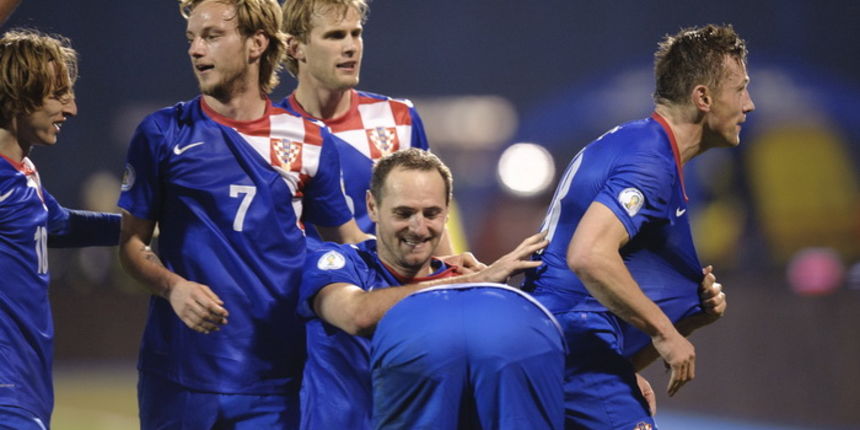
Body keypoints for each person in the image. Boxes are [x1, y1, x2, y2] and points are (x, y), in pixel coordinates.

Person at [117, 1, 366, 428]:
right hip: (177, 376)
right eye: (192, 39)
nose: (196, 50)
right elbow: (131, 245)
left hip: (276, 378)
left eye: (212, 36)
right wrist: (173, 287)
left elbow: (351, 245)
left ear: (257, 44)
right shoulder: (162, 133)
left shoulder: (309, 140)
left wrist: (444, 275)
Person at [523, 24, 747, 429]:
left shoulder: (636, 144)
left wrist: (689, 320)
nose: (749, 104)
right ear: (703, 97)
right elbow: (588, 256)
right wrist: (666, 334)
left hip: (557, 340)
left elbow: (598, 290)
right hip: (572, 343)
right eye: (741, 89)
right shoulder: (650, 161)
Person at [299, 148, 564, 429]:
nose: (418, 227)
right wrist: (472, 285)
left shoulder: (466, 283)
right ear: (372, 206)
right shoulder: (338, 265)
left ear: (447, 212)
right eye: (404, 213)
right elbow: (356, 314)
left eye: (431, 213)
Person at [0, 29, 120, 429]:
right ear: (18, 95)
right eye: (59, 94)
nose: (71, 109)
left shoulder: (22, 175)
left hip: (27, 384)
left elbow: (58, 223)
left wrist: (147, 227)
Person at [280, 0, 461, 254]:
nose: (350, 47)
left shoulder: (398, 118)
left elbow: (431, 218)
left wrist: (452, 278)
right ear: (295, 47)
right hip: (312, 286)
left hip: (396, 284)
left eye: (356, 34)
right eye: (335, 36)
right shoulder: (273, 131)